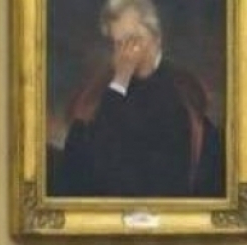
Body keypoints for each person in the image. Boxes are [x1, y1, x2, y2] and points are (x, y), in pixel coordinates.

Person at [53, 0, 223, 198]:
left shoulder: (183, 89)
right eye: (118, 44)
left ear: (156, 38)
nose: (125, 53)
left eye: (133, 40)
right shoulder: (102, 88)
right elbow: (92, 156)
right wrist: (120, 81)